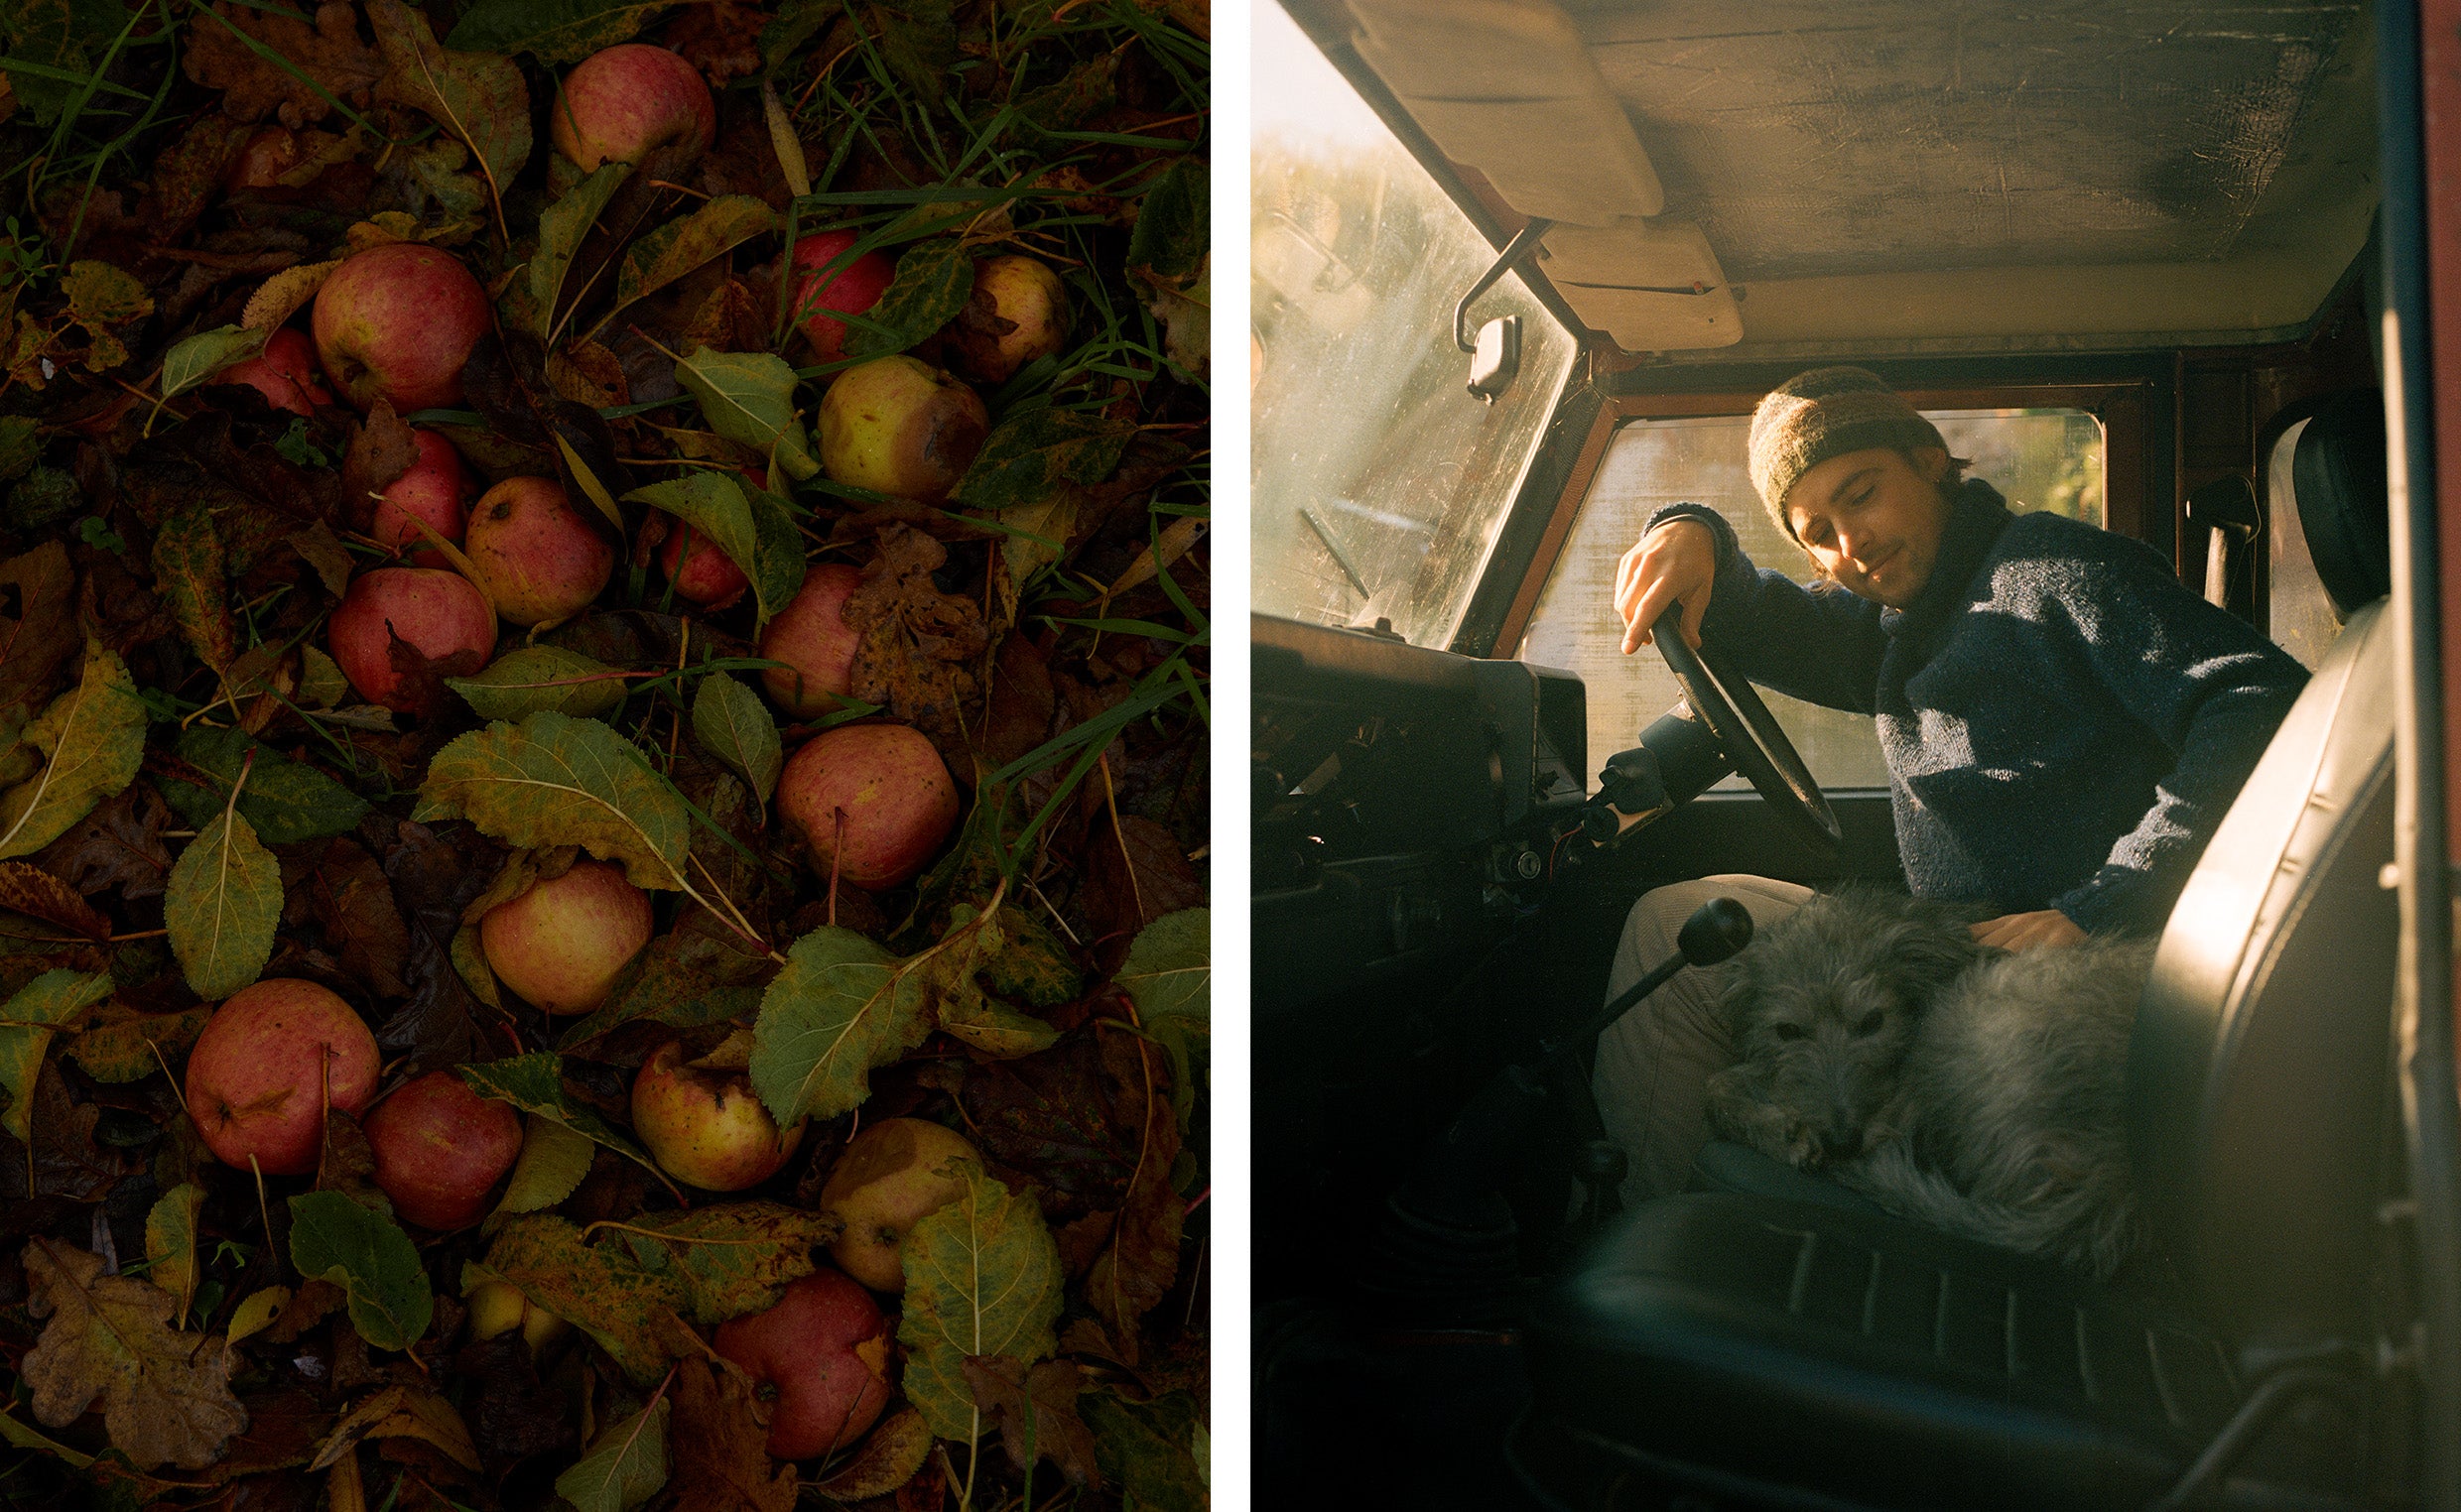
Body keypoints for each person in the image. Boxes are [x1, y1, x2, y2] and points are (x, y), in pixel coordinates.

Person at [1595, 366, 2311, 1201]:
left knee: (1688, 954)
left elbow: (2257, 699)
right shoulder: (1903, 621)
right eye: (1816, 532)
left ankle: (1680, 1251)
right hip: (1951, 941)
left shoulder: (2052, 570)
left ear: (1931, 460)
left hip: (2069, 962)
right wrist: (1691, 530)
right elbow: (1760, 618)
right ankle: (1676, 1228)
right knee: (1669, 926)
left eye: (1862, 495)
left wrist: (2107, 902)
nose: (1849, 547)